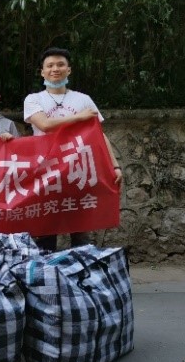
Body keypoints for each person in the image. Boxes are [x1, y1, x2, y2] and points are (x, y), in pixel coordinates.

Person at [23, 47, 122, 252]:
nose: (55, 69)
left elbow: (99, 135)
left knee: (80, 229)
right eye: (50, 65)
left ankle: (80, 269)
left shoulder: (83, 99)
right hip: (46, 170)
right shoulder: (33, 99)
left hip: (78, 169)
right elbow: (45, 125)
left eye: (60, 65)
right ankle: (46, 270)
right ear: (42, 72)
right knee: (45, 229)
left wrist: (114, 166)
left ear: (69, 70)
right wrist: (79, 117)